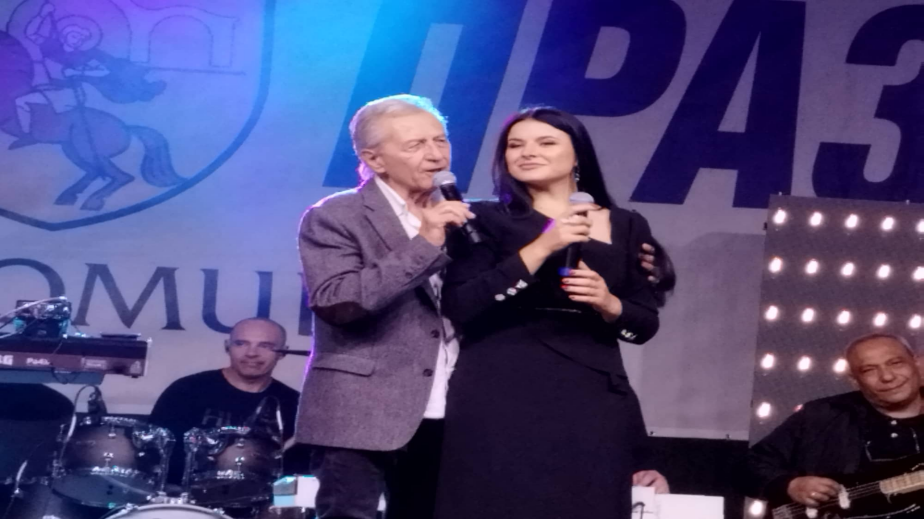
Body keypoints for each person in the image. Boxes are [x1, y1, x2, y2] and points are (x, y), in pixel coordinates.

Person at [434, 107, 663, 519]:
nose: (527, 152)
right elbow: (461, 304)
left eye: (546, 142)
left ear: (577, 156)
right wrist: (543, 246)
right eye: (515, 145)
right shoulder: (481, 218)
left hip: (591, 390)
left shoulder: (628, 225)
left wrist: (608, 302)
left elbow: (644, 325)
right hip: (499, 384)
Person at [295, 94, 472, 519]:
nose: (436, 155)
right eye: (416, 145)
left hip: (449, 405)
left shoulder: (464, 216)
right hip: (361, 408)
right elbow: (337, 300)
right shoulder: (337, 215)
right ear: (374, 159)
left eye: (441, 140)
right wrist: (425, 242)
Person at [747, 333, 924, 509]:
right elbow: (749, 466)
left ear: (917, 364)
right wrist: (791, 485)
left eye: (896, 363)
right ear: (854, 380)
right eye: (869, 370)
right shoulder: (821, 416)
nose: (887, 376)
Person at [149, 317, 299, 486]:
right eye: (241, 344)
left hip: (261, 499)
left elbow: (295, 471)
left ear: (283, 352)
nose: (251, 353)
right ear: (227, 347)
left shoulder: (295, 404)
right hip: (182, 496)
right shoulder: (186, 390)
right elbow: (154, 452)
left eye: (265, 346)